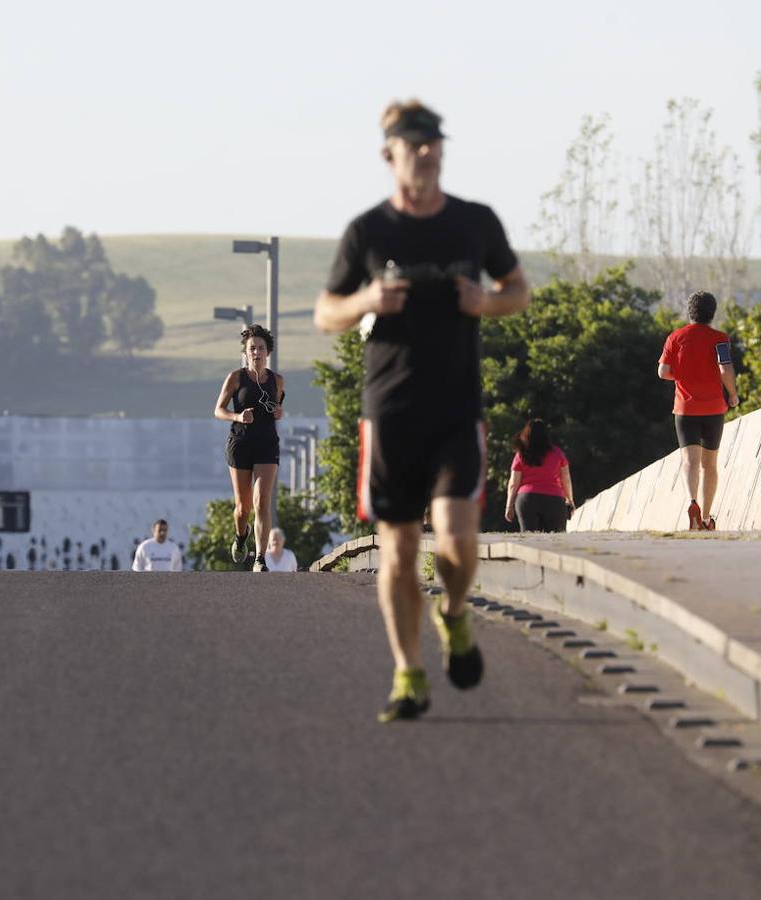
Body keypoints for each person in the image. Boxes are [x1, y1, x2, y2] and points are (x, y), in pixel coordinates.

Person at [314, 99, 530, 722]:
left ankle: (454, 612)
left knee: (460, 545)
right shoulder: (368, 232)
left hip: (457, 408)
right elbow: (325, 313)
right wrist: (365, 299)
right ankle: (408, 673)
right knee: (400, 549)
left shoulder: (474, 222)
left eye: (435, 143)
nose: (427, 153)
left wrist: (484, 302)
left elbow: (518, 291)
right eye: (414, 145)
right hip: (391, 412)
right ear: (391, 156)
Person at [658, 291, 739, 531]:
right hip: (713, 407)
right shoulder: (720, 338)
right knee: (709, 464)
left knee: (690, 462)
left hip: (684, 408)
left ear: (689, 312)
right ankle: (705, 517)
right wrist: (732, 394)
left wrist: (682, 377)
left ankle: (692, 501)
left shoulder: (675, 337)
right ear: (712, 313)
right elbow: (725, 368)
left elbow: (663, 371)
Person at [212, 324, 284, 572]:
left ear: (268, 352)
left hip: (266, 444)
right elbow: (218, 410)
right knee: (243, 509)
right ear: (246, 352)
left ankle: (260, 559)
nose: (256, 352)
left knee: (262, 501)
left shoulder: (277, 380)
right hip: (240, 443)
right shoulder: (236, 377)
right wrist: (238, 417)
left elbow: (277, 408)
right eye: (252, 348)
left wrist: (278, 412)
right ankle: (241, 536)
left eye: (261, 348)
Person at [504, 419, 575, 532]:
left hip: (527, 500)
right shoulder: (558, 453)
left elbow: (513, 483)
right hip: (554, 500)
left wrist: (509, 506)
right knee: (556, 540)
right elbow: (565, 479)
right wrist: (570, 500)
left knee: (530, 540)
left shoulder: (521, 455)